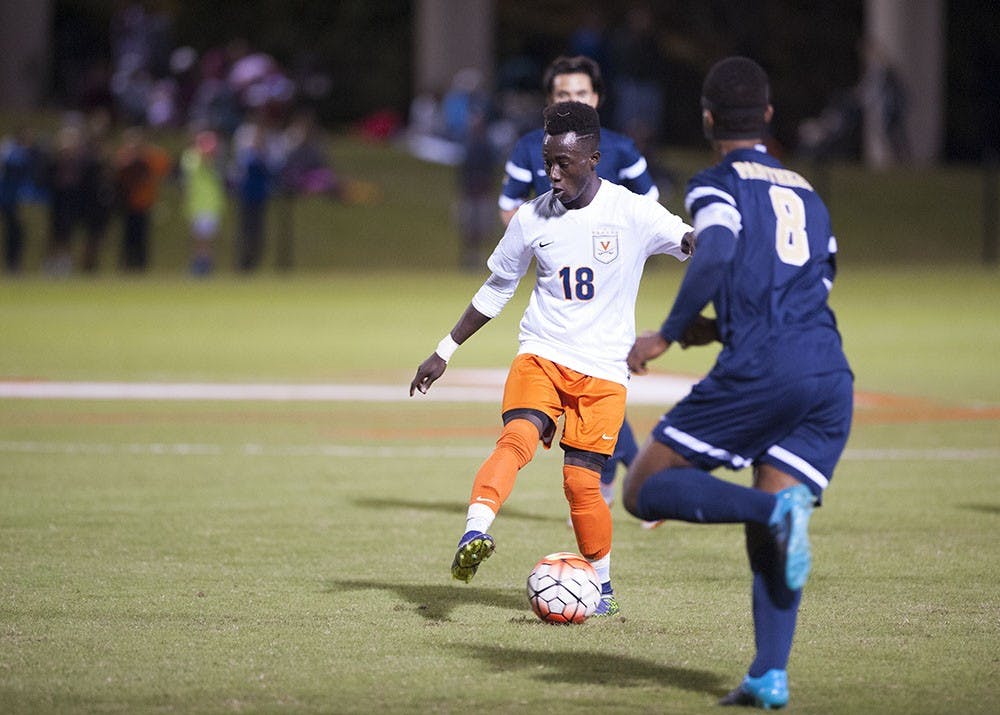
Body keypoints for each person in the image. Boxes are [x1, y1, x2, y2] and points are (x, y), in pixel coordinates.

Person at [621, 57, 853, 708]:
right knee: (776, 521)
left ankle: (775, 512)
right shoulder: (808, 193)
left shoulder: (716, 182)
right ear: (770, 116)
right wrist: (719, 329)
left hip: (764, 369)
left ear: (707, 117)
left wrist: (668, 331)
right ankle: (769, 673)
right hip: (829, 373)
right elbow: (809, 287)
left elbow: (718, 247)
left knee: (644, 489)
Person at [410, 101, 694, 617]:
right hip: (541, 352)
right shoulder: (531, 217)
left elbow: (687, 240)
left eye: (564, 163)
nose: (553, 173)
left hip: (604, 371)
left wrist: (720, 242)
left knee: (581, 484)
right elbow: (497, 288)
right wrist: (444, 349)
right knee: (515, 438)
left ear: (593, 158)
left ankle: (602, 588)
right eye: (548, 162)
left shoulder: (632, 212)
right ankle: (474, 533)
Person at [497, 54, 661, 522]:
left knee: (596, 376)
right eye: (563, 94)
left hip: (608, 284)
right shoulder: (529, 146)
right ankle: (633, 478)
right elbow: (510, 208)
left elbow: (649, 213)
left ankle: (623, 478)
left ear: (598, 98)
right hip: (558, 286)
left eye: (582, 93)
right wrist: (542, 241)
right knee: (592, 377)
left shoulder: (623, 150)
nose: (573, 100)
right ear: (549, 100)